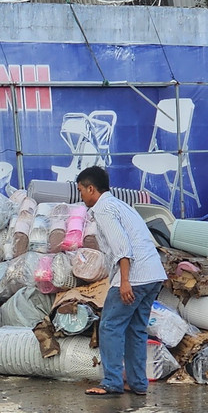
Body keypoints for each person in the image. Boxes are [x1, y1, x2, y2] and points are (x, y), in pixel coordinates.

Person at [76, 166, 166, 397]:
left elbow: (121, 247)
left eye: (81, 191)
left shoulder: (104, 209)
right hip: (153, 273)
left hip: (134, 275)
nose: (81, 196)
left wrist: (124, 281)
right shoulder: (120, 205)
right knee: (136, 329)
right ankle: (138, 384)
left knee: (110, 326)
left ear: (91, 188)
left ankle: (112, 382)